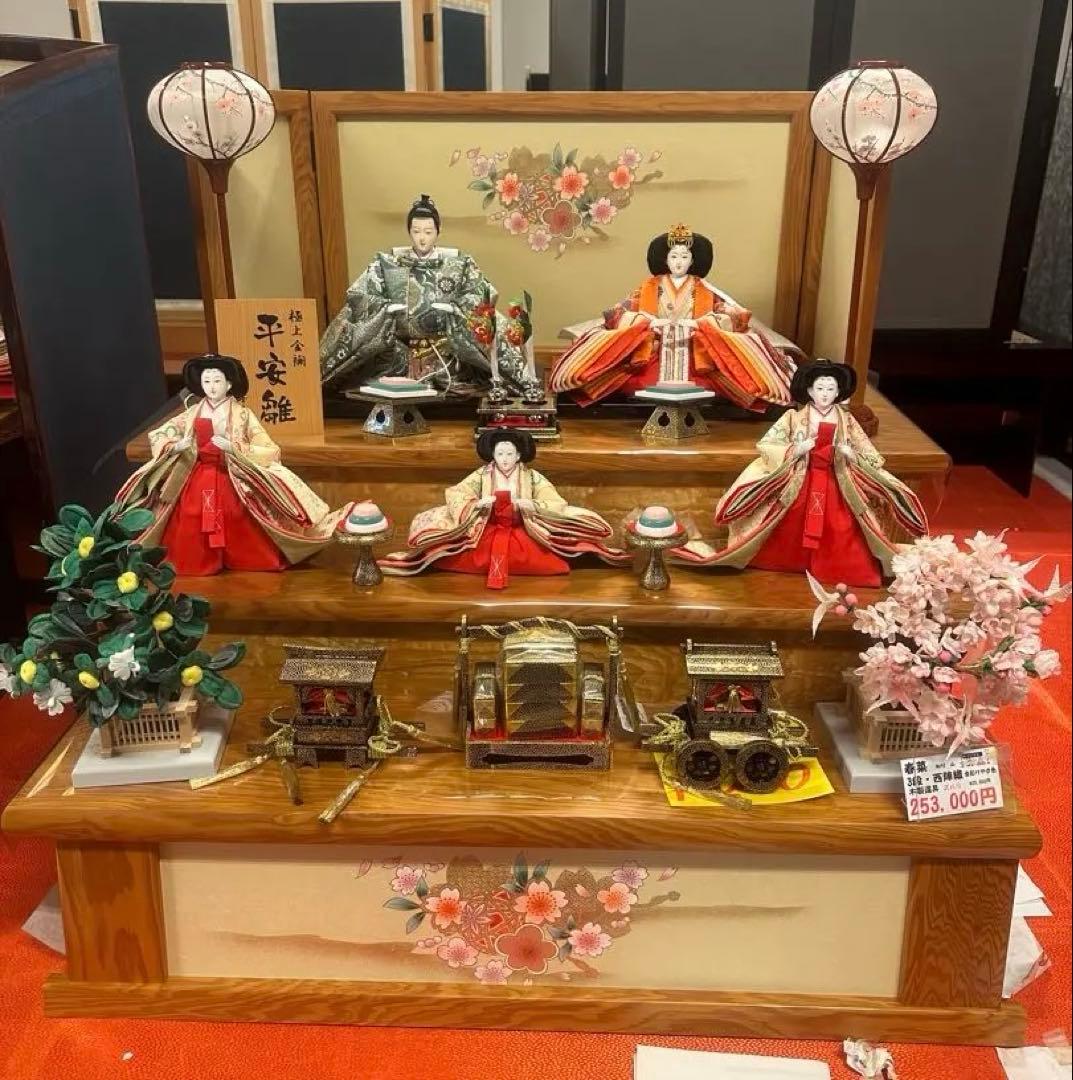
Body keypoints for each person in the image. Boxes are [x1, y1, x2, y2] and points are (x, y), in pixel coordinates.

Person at [673, 360, 928, 587]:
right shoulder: (793, 418)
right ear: (809, 391)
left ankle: (839, 566)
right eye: (820, 388)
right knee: (785, 522)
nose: (825, 394)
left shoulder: (847, 421)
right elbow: (768, 444)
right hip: (800, 478)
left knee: (841, 526)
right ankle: (782, 560)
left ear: (838, 392)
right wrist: (796, 449)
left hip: (837, 480)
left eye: (830, 389)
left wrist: (850, 453)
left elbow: (869, 453)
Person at [114, 354, 351, 575]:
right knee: (191, 514)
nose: (211, 387)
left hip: (231, 473)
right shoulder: (192, 412)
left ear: (228, 384)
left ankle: (244, 558)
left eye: (217, 381)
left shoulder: (242, 415)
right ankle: (196, 561)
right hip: (196, 472)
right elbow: (161, 434)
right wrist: (176, 445)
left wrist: (234, 448)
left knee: (238, 514)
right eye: (207, 381)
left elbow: (268, 447)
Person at [548, 223, 796, 410]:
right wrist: (647, 322)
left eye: (684, 257)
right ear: (665, 260)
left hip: (694, 350)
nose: (679, 262)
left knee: (737, 360)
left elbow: (735, 314)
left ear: (693, 260)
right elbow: (617, 314)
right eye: (674, 256)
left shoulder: (704, 288)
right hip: (654, 349)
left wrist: (702, 323)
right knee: (615, 366)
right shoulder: (648, 287)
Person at [319, 194, 538, 400]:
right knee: (371, 364)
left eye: (428, 232)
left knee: (487, 325)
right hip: (398, 353)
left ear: (438, 232)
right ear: (409, 231)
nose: (422, 238)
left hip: (446, 351)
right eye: (416, 231)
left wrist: (457, 309)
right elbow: (358, 296)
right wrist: (384, 308)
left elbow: (483, 295)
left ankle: (525, 382)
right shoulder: (387, 263)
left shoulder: (459, 264)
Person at [381, 430, 628, 590]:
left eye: (510, 453)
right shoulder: (482, 474)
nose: (505, 458)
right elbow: (457, 492)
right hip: (487, 530)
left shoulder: (532, 477)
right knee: (454, 557)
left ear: (519, 455)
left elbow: (554, 500)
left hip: (523, 530)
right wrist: (477, 504)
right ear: (493, 454)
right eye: (500, 453)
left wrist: (532, 505)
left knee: (548, 563)